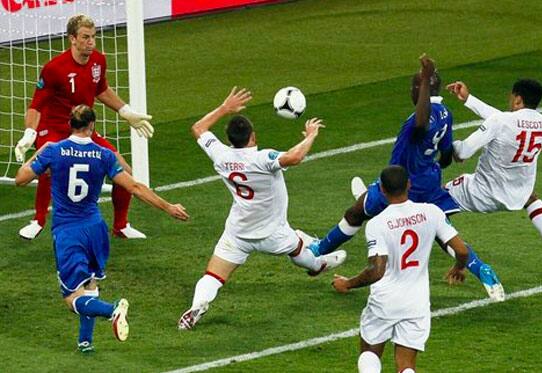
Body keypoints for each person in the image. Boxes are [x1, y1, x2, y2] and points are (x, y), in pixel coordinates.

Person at [308, 55, 504, 301]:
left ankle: (318, 250)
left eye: (415, 87)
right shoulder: (446, 113)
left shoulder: (420, 118)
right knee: (440, 234)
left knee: (356, 212)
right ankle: (481, 269)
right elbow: (445, 156)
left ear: (418, 90)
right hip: (429, 183)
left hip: (401, 184)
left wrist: (423, 80)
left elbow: (422, 123)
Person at [15, 105, 189, 352]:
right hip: (96, 228)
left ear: (69, 124)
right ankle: (85, 342)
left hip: (68, 231)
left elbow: (21, 179)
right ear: (92, 126)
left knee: (71, 297)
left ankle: (112, 309)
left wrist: (37, 154)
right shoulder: (104, 155)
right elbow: (135, 187)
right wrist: (168, 206)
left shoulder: (53, 151)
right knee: (91, 286)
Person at [177, 87, 347, 330]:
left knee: (213, 276)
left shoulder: (221, 155)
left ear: (229, 139)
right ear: (253, 136)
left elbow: (198, 129)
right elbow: (294, 157)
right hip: (272, 232)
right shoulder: (262, 158)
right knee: (299, 251)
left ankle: (197, 306)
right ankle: (318, 265)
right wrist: (310, 135)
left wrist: (225, 107)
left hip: (238, 232)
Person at [14, 14, 154, 240]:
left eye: (93, 37)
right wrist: (30, 132)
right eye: (86, 37)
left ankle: (120, 225)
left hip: (82, 126)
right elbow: (36, 105)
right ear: (72, 39)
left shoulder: (98, 60)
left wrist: (126, 112)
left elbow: (102, 90)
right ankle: (37, 220)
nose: (91, 42)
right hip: (54, 127)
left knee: (125, 171)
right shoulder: (54, 68)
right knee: (50, 167)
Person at [332, 165, 468, 373]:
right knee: (406, 366)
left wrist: (347, 284)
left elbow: (376, 270)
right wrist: (458, 268)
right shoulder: (431, 212)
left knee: (369, 352)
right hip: (417, 303)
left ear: (382, 190)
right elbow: (461, 250)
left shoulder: (377, 223)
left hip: (385, 301)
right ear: (409, 185)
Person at [445, 79, 542, 281]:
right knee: (533, 199)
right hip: (518, 194)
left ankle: (471, 265)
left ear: (518, 99)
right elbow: (503, 120)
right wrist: (468, 100)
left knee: (434, 207)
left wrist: (447, 143)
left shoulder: (502, 122)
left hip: (480, 193)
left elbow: (462, 153)